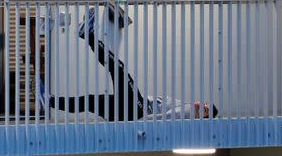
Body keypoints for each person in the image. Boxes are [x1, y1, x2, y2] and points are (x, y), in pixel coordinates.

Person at [33, 8, 218, 121]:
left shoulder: (190, 113)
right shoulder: (186, 106)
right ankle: (49, 101)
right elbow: (161, 105)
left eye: (205, 109)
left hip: (136, 112)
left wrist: (141, 120)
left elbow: (166, 117)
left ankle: (87, 34)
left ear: (204, 116)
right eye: (205, 104)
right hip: (130, 111)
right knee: (90, 101)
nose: (201, 105)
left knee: (119, 69)